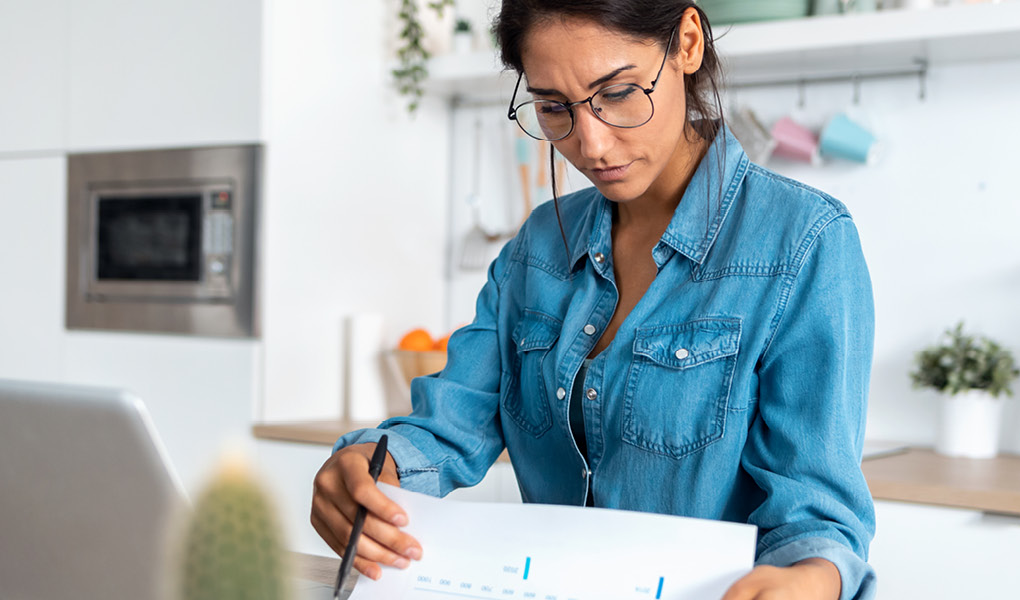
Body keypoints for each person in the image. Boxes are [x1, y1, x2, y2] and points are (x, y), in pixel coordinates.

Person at [311, 2, 877, 598]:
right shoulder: (536, 249)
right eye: (554, 107)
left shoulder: (805, 241)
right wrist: (372, 471)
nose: (591, 143)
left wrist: (811, 580)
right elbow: (446, 428)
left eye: (621, 93)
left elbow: (818, 518)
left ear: (687, 42)